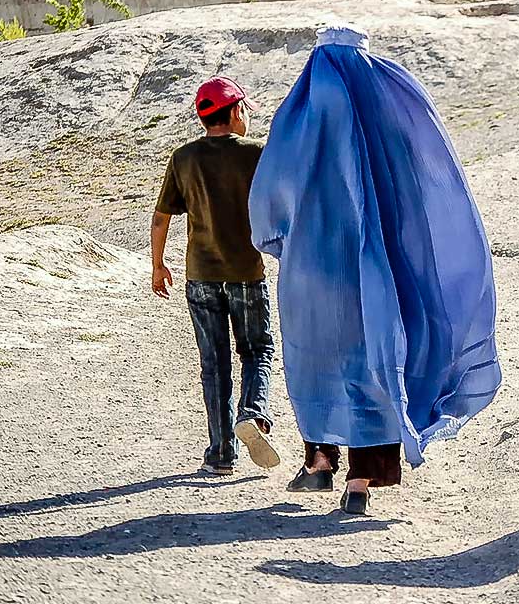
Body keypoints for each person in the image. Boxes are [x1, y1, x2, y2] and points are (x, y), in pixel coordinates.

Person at [248, 26, 500, 515]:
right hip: (379, 268)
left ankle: (319, 463)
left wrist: (278, 240)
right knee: (375, 362)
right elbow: (427, 180)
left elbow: (271, 195)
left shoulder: (302, 111)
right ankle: (360, 481)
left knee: (317, 363)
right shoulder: (391, 105)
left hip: (313, 272)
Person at [151, 76, 281, 476]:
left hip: (200, 276)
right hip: (245, 272)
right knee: (258, 351)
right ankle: (254, 413)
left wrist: (157, 265)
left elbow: (161, 217)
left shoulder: (183, 158)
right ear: (236, 111)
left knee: (214, 362)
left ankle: (221, 453)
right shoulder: (258, 153)